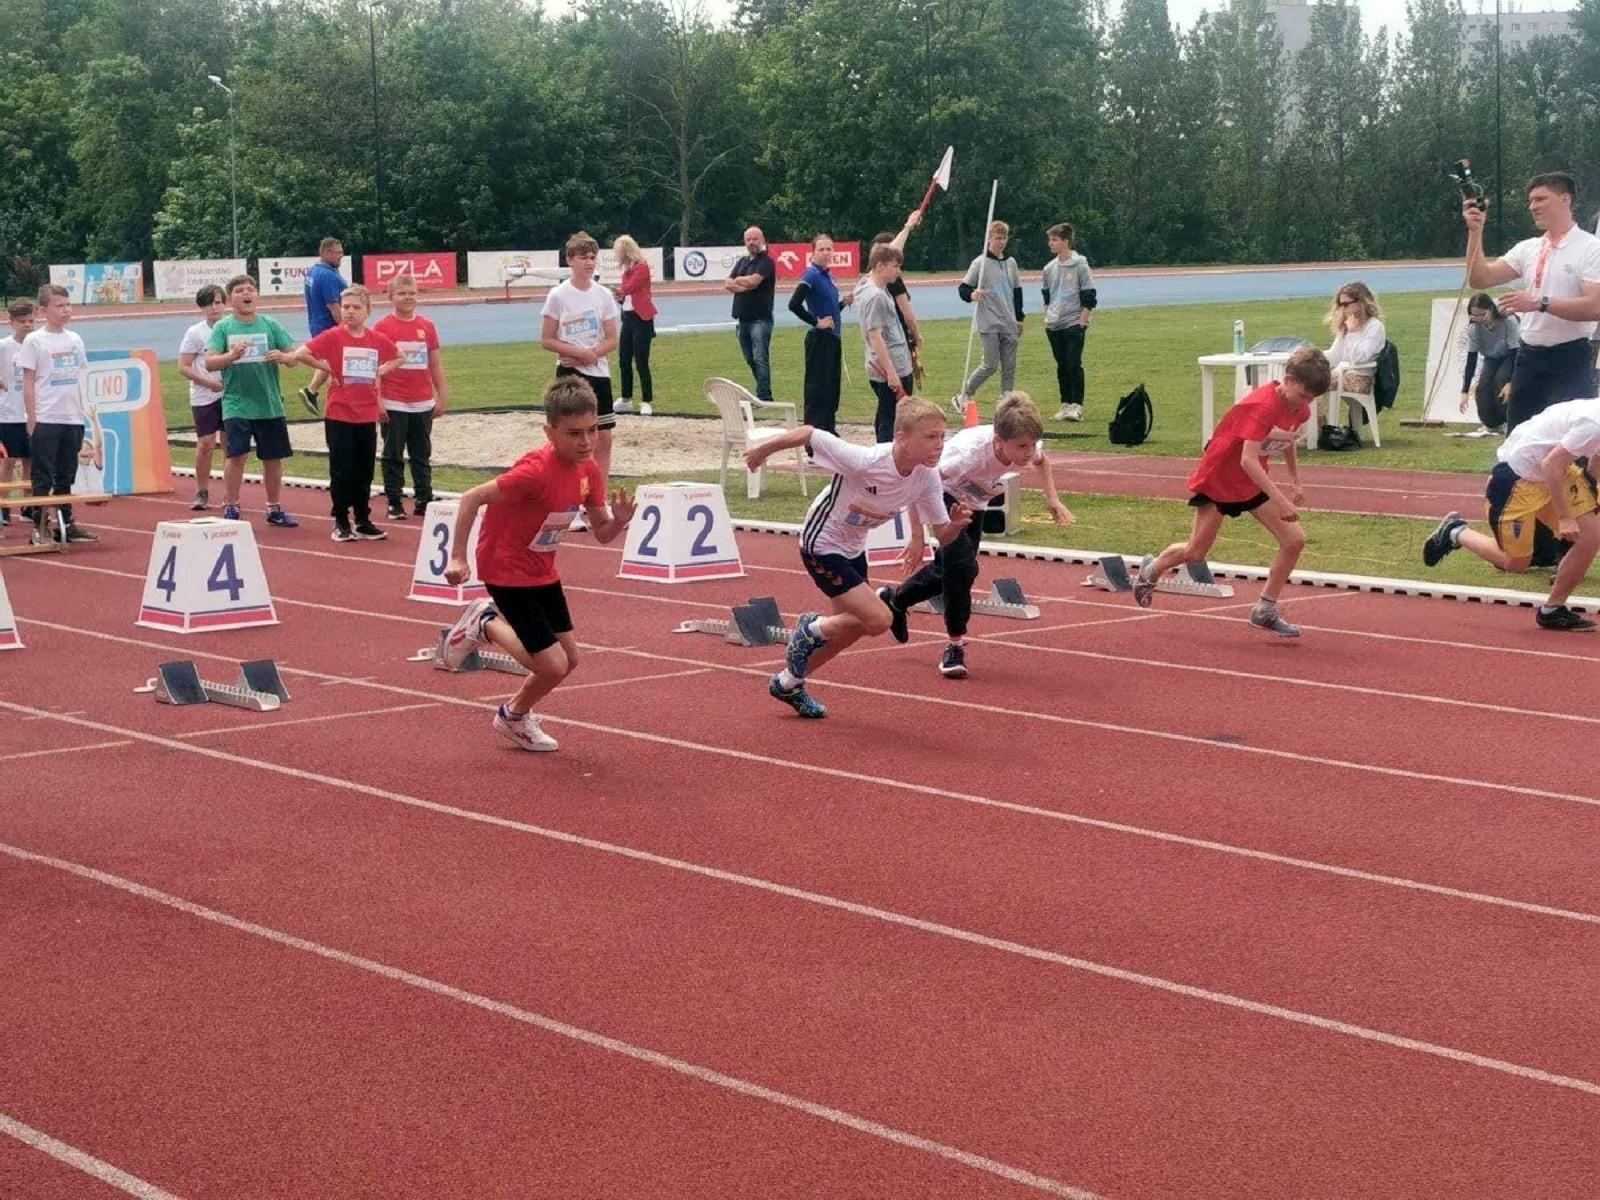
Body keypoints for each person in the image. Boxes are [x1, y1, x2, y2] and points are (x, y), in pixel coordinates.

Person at [743, 395, 974, 720]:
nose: (939, 445)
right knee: (880, 619)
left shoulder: (927, 477)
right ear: (902, 438)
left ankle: (788, 682)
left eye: (942, 437)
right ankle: (809, 629)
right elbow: (810, 433)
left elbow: (942, 535)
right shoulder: (866, 461)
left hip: (853, 547)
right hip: (821, 542)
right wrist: (761, 451)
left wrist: (957, 525)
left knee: (848, 631)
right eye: (930, 437)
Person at [439, 376, 635, 752]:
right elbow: (471, 498)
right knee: (551, 666)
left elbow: (603, 534)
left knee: (570, 660)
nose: (586, 442)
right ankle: (486, 621)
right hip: (505, 568)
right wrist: (459, 556)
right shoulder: (535, 472)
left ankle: (513, 716)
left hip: (542, 569)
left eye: (592, 431)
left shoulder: (589, 470)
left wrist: (621, 519)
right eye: (574, 433)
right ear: (550, 432)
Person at [1131, 346, 1333, 637]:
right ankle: (1152, 569)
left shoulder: (1299, 408)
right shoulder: (1261, 407)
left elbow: (1287, 439)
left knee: (1294, 540)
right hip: (1221, 479)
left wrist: (1295, 480)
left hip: (1251, 482)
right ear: (1288, 380)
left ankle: (1264, 609)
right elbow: (1247, 459)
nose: (1306, 404)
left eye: (1312, 399)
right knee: (1196, 551)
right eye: (1304, 395)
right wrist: (1282, 499)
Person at [881, 392, 1074, 678]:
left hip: (974, 503)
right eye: (1021, 446)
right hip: (944, 496)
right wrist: (917, 536)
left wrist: (1052, 500)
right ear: (998, 439)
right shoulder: (966, 456)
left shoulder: (1028, 445)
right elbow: (918, 480)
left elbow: (1042, 462)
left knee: (946, 570)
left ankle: (896, 598)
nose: (1028, 452)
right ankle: (954, 645)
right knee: (963, 568)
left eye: (1031, 444)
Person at [1422, 396, 1600, 632]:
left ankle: (1552, 609)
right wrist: (1565, 517)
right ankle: (1456, 532)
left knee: (1590, 538)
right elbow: (1550, 464)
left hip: (1557, 472)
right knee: (1516, 563)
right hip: (1518, 477)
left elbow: (1595, 462)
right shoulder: (1594, 423)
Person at [1465, 171, 1600, 431]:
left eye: (1540, 199)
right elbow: (1479, 278)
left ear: (1565, 200)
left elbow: (1594, 307)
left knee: (1569, 447)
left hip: (1570, 358)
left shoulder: (1590, 248)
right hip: (1529, 358)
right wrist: (1475, 231)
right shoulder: (1528, 247)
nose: (1532, 206)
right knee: (1518, 442)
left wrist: (1539, 303)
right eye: (1530, 201)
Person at [296, 284, 402, 542]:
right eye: (346, 307)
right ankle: (341, 521)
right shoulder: (333, 336)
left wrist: (380, 371)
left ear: (368, 310)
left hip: (366, 416)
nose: (350, 312)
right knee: (342, 469)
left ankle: (363, 520)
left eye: (356, 307)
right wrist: (329, 368)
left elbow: (399, 356)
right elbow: (302, 353)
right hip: (339, 414)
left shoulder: (376, 340)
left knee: (364, 469)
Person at [203, 274, 303, 528]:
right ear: (231, 298)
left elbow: (293, 359)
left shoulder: (270, 324)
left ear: (256, 295)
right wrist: (232, 355)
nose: (246, 293)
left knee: (272, 458)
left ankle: (273, 507)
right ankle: (232, 505)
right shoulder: (223, 328)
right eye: (239, 290)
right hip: (236, 403)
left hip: (269, 403)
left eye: (250, 289)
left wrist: (282, 355)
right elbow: (210, 362)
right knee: (236, 456)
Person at [540, 231, 621, 494]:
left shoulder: (603, 295)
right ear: (570, 260)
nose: (589, 263)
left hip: (598, 373)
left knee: (603, 439)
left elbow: (612, 338)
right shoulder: (558, 295)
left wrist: (593, 353)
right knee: (572, 439)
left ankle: (598, 497)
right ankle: (570, 495)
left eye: (593, 258)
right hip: (570, 373)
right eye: (584, 258)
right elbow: (548, 339)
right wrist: (575, 353)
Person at [18, 286, 95, 544]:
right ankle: (39, 525)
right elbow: (28, 381)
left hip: (72, 418)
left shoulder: (75, 339)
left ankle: (66, 523)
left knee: (66, 474)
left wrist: (86, 414)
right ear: (43, 310)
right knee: (43, 475)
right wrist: (31, 418)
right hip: (46, 417)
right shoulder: (35, 341)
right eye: (60, 306)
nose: (66, 310)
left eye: (68, 305)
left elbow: (81, 376)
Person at [374, 273, 449, 519]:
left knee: (421, 454)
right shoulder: (383, 327)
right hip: (393, 402)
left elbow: (435, 364)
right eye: (402, 293)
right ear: (391, 296)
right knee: (393, 453)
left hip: (422, 402)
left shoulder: (426, 326)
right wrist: (378, 401)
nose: (408, 298)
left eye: (412, 293)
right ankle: (394, 501)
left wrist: (442, 396)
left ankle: (424, 499)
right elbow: (375, 367)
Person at [953, 220, 1025, 414]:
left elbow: (1017, 291)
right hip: (989, 322)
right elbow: (963, 288)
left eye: (1004, 238)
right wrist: (972, 295)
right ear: (989, 239)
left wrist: (1020, 318)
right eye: (998, 238)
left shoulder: (1011, 263)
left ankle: (1007, 403)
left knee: (1009, 367)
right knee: (991, 364)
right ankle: (965, 393)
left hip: (1009, 321)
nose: (1001, 242)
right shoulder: (980, 263)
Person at [788, 233, 847, 434]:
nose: (825, 253)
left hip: (833, 338)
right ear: (813, 252)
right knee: (817, 390)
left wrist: (843, 304)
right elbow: (794, 304)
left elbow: (830, 311)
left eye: (829, 249)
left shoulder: (828, 275)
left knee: (831, 389)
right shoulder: (811, 275)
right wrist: (816, 322)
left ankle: (828, 430)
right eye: (821, 249)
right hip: (819, 340)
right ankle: (812, 436)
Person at [858, 244, 916, 443]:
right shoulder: (875, 296)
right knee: (891, 418)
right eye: (895, 266)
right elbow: (876, 336)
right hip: (890, 368)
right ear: (880, 266)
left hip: (894, 363)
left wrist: (908, 227)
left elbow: (891, 247)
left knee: (886, 413)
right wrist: (891, 372)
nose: (898, 271)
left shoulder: (870, 285)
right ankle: (887, 458)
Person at [177, 285, 227, 510]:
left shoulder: (231, 328)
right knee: (206, 443)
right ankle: (202, 490)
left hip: (230, 394)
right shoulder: (195, 332)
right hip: (203, 394)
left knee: (230, 444)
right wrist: (209, 383)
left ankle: (231, 493)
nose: (214, 308)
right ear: (202, 307)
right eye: (209, 303)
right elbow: (184, 366)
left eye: (218, 302)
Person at [1042, 223, 1096, 422]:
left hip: (1073, 322)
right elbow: (1047, 295)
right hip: (1054, 324)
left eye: (1055, 240)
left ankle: (1076, 405)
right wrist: (1047, 316)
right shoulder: (1049, 268)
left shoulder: (1080, 264)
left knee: (1074, 363)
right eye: (1050, 239)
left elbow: (1089, 292)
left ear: (1066, 242)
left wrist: (1083, 319)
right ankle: (1065, 404)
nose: (1051, 243)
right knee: (1061, 365)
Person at [1324, 281, 1386, 438]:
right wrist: (1311, 358)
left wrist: (1352, 332)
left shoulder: (1374, 326)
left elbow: (1359, 358)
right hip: (1342, 372)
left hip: (1361, 376)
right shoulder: (1345, 326)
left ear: (1360, 302)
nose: (1342, 309)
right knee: (1310, 378)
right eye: (1340, 305)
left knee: (1318, 382)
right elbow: (1334, 356)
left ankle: (1326, 431)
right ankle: (1317, 429)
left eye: (1346, 304)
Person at [724, 226, 776, 402]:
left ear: (762, 240)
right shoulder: (742, 262)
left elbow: (754, 282)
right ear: (745, 242)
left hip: (760, 319)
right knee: (750, 359)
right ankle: (761, 391)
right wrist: (743, 283)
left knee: (760, 358)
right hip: (743, 318)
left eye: (755, 239)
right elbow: (727, 284)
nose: (752, 242)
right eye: (749, 239)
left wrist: (740, 281)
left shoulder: (766, 262)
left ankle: (765, 396)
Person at [297, 236, 346, 416]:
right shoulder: (327, 275)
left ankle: (315, 393)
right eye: (338, 253)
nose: (341, 256)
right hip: (328, 325)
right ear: (325, 252)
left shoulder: (313, 271)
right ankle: (313, 390)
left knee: (328, 362)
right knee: (332, 363)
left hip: (317, 323)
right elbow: (334, 306)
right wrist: (347, 329)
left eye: (342, 252)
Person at [0, 297, 36, 530]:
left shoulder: (38, 344)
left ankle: (28, 507)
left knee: (31, 462)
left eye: (31, 321)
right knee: (9, 463)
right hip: (8, 413)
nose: (27, 325)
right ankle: (4, 508)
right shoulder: (3, 346)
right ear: (11, 321)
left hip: (32, 413)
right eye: (22, 321)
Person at [1459, 293, 1519, 433]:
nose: (1478, 319)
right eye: (1474, 316)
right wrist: (1465, 390)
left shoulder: (1508, 321)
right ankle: (1491, 423)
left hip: (1512, 355)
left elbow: (1516, 352)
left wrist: (1511, 381)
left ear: (1491, 309)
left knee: (1501, 380)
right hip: (1492, 358)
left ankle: (1509, 420)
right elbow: (1471, 358)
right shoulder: (1474, 329)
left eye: (1482, 315)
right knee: (1483, 387)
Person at [611, 235, 657, 416]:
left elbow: (629, 288)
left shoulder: (642, 268)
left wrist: (619, 291)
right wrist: (619, 297)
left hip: (642, 319)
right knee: (624, 359)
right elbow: (625, 296)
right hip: (629, 318)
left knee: (641, 361)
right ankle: (626, 398)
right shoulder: (626, 272)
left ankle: (646, 401)